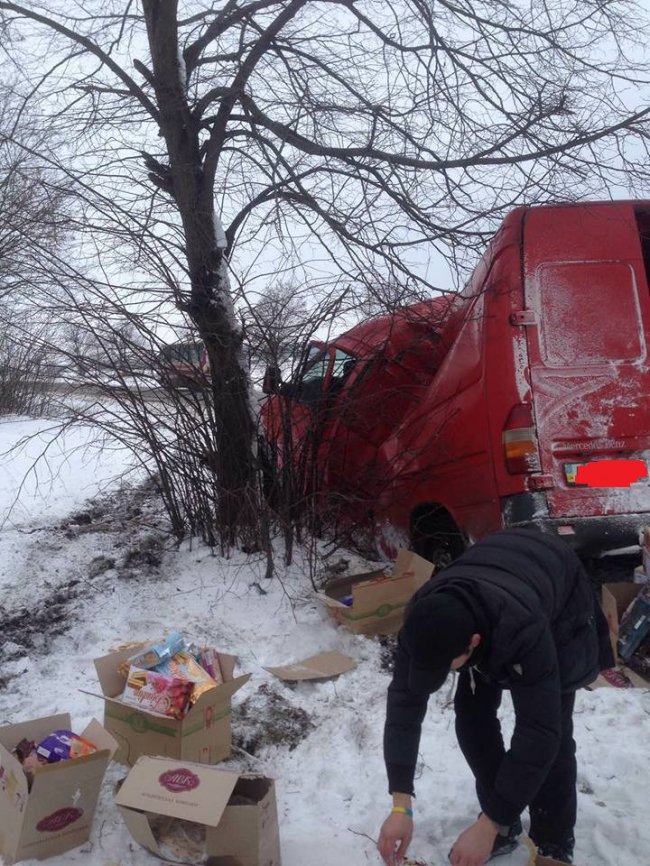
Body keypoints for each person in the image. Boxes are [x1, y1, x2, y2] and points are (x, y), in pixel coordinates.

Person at [377, 528, 614, 866]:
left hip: (558, 594)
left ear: (472, 643)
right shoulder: (421, 621)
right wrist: (401, 805)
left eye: (446, 666)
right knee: (471, 718)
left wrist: (488, 823)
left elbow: (539, 732)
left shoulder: (522, 628)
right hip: (496, 578)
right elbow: (404, 707)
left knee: (555, 733)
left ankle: (553, 840)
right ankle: (503, 822)